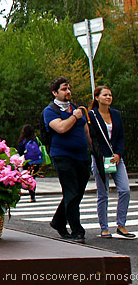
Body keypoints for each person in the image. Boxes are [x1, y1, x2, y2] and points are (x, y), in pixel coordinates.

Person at [44, 77, 90, 244]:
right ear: (55, 92)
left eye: (69, 88)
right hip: (63, 155)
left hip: (81, 156)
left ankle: (58, 221)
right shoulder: (50, 111)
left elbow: (86, 131)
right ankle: (77, 231)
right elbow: (61, 128)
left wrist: (92, 150)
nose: (68, 91)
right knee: (71, 191)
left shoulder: (76, 108)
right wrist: (75, 117)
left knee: (77, 192)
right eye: (64, 89)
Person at [88, 85, 134, 239]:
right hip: (101, 159)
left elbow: (121, 136)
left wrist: (118, 154)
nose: (108, 97)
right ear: (97, 98)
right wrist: (99, 154)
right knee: (103, 193)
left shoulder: (116, 114)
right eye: (105, 95)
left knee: (125, 190)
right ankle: (104, 227)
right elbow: (91, 138)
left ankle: (121, 224)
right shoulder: (92, 115)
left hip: (115, 158)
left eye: (110, 95)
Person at [16, 124, 42, 202]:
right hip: (36, 162)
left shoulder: (23, 141)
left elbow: (20, 151)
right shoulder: (35, 140)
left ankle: (30, 193)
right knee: (33, 178)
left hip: (27, 162)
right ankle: (32, 195)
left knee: (27, 178)